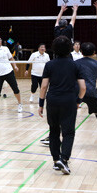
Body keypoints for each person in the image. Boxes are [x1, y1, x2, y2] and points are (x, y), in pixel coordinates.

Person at [37, 36, 87, 175]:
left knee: (53, 131)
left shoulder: (49, 65)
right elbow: (83, 87)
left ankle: (55, 161)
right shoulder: (76, 65)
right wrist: (79, 101)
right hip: (69, 101)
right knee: (68, 132)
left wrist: (41, 104)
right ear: (70, 48)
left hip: (52, 101)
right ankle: (64, 160)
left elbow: (44, 86)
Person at [0, 35, 23, 113]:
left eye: (1, 39)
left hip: (9, 72)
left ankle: (20, 104)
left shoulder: (5, 49)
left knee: (15, 89)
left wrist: (15, 66)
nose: (0, 41)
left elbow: (11, 58)